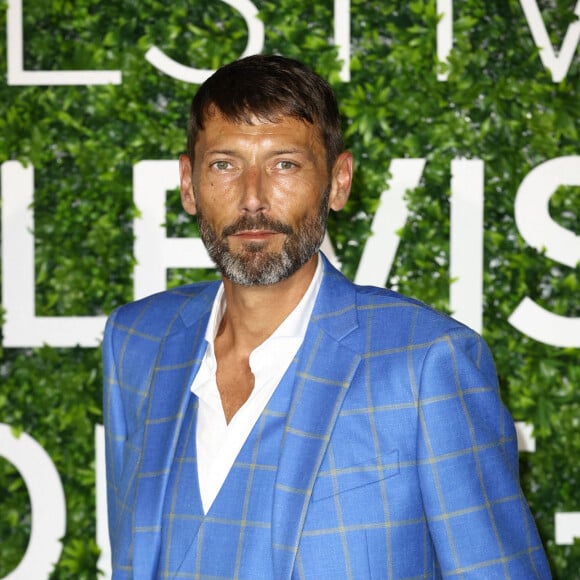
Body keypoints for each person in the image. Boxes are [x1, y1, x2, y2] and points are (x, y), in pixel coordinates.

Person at [103, 54, 550, 579]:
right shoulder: (137, 341)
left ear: (338, 181)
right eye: (225, 163)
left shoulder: (427, 362)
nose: (252, 198)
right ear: (188, 182)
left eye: (284, 164)